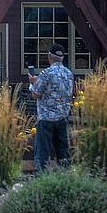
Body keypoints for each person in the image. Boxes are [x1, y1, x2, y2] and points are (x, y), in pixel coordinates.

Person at [28, 42, 74, 173]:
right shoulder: (69, 73)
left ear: (49, 57)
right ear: (62, 58)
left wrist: (33, 83)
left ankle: (40, 178)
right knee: (63, 151)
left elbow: (36, 94)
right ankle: (66, 177)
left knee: (42, 152)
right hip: (62, 117)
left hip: (46, 118)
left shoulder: (46, 73)